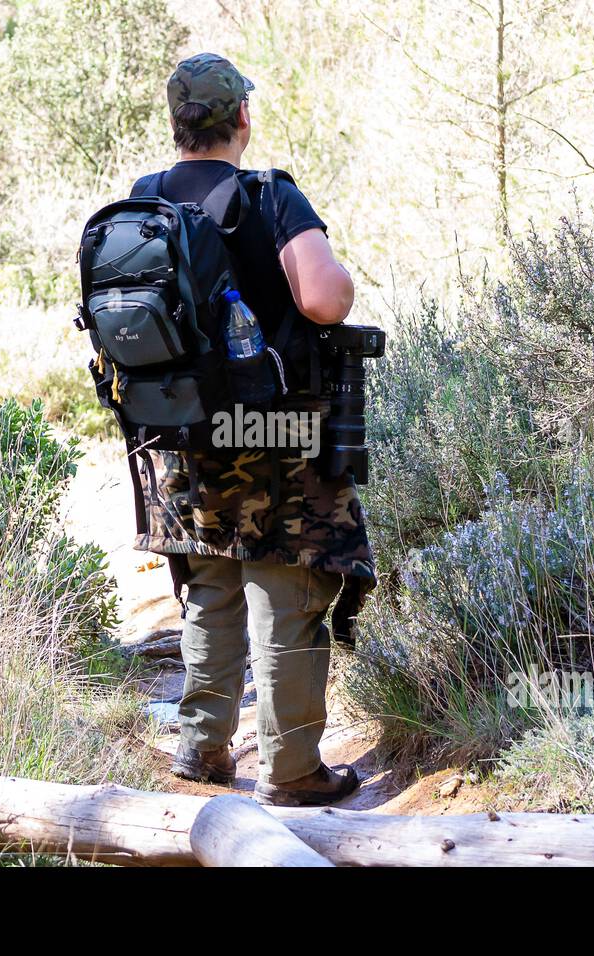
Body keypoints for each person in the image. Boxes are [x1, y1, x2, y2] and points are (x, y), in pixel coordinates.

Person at [130, 53, 376, 807]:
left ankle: (202, 749)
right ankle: (294, 770)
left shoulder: (143, 202)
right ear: (242, 118)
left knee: (208, 584)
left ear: (177, 125)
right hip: (274, 432)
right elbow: (326, 300)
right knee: (288, 585)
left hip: (179, 437)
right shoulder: (270, 196)